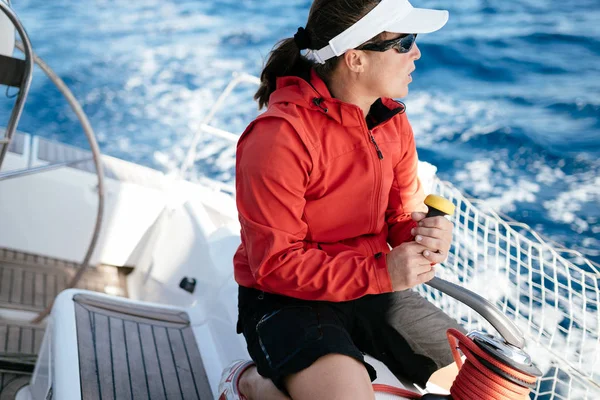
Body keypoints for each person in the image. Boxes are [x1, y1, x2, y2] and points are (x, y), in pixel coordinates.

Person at [219, 0, 465, 398]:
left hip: (370, 286)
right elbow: (274, 264)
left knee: (489, 387)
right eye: (404, 43)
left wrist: (422, 234)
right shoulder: (278, 137)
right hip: (286, 298)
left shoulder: (392, 121)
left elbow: (401, 214)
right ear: (355, 59)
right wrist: (383, 273)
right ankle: (250, 381)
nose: (417, 53)